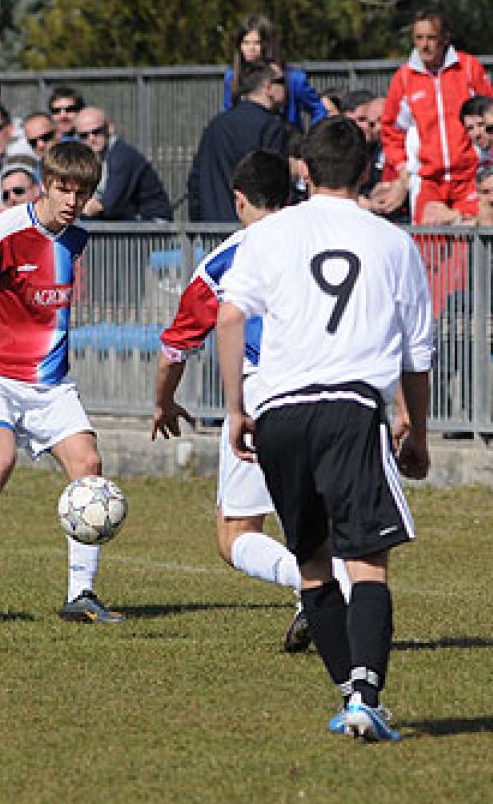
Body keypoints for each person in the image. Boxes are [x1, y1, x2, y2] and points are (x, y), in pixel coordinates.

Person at [217, 117, 434, 741]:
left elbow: (230, 320)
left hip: (280, 412)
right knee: (366, 563)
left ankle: (351, 696)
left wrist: (237, 408)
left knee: (312, 565)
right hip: (349, 407)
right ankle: (365, 696)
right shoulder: (392, 242)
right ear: (366, 170)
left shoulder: (270, 232)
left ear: (302, 172)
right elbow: (417, 356)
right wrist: (415, 432)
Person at [154, 149, 348, 653]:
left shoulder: (226, 260)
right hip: (339, 387)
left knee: (235, 532)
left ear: (239, 199)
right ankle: (340, 587)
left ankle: (317, 587)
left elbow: (176, 346)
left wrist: (164, 401)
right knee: (319, 515)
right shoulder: (327, 240)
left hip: (267, 395)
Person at [0, 141, 123, 625]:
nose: (71, 201)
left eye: (81, 193)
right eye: (64, 189)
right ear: (46, 183)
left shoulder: (77, 238)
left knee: (89, 463)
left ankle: (80, 594)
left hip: (50, 381)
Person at [377, 8, 493, 225]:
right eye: (419, 38)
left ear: (445, 38)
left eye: (431, 38)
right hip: (428, 180)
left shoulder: (468, 68)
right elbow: (391, 130)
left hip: (469, 176)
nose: (424, 45)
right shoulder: (404, 78)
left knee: (469, 245)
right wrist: (403, 169)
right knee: (429, 248)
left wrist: (489, 159)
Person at [187, 60, 290, 222]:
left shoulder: (217, 125)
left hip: (213, 232)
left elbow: (195, 182)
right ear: (268, 86)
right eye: (282, 82)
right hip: (253, 231)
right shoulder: (272, 127)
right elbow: (276, 186)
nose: (286, 88)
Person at [223, 14, 327, 130]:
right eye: (246, 43)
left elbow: (319, 110)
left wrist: (310, 140)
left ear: (267, 45)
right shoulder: (232, 77)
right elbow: (229, 112)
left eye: (257, 43)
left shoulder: (294, 79)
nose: (251, 48)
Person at [75, 106, 173, 221]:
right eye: (84, 135)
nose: (91, 138)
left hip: (151, 227)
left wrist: (86, 207)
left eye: (97, 132)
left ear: (110, 128)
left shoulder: (122, 156)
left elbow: (110, 206)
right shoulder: (95, 156)